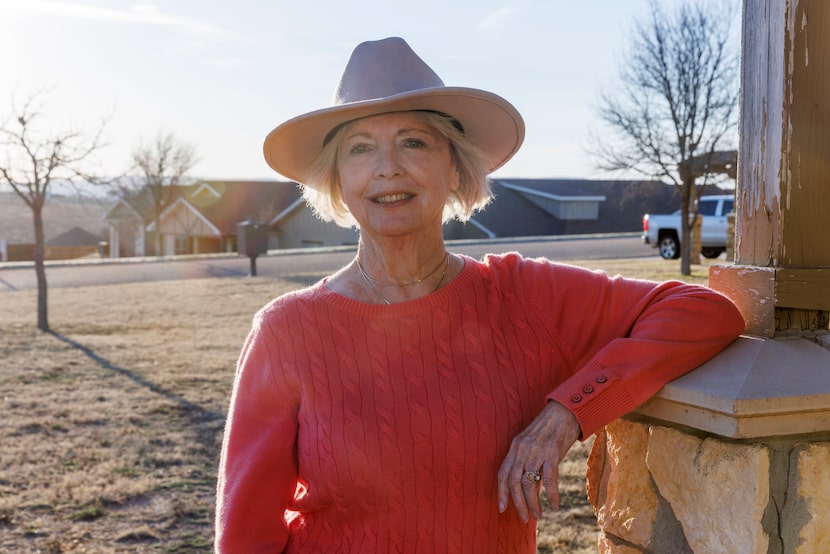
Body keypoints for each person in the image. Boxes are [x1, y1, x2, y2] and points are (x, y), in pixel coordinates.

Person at [215, 37, 744, 553]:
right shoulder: (286, 331)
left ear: (455, 167)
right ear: (337, 179)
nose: (387, 166)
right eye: (360, 148)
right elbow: (246, 534)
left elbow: (705, 311)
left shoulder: (522, 295)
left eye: (413, 141)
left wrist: (568, 413)